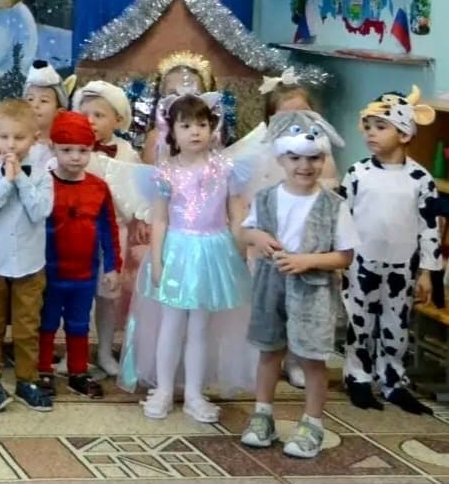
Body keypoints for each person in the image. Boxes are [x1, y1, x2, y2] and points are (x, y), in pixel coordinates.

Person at [119, 93, 253, 424]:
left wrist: (241, 250)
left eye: (202, 124)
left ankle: (194, 393)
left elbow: (236, 214)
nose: (195, 131)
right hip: (177, 253)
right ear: (172, 132)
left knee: (201, 327)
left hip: (213, 253)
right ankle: (164, 389)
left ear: (212, 128)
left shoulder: (226, 169)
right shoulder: (165, 173)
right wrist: (157, 260)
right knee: (172, 323)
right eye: (186, 125)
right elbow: (160, 220)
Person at [240, 110, 356, 459]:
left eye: (314, 158)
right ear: (281, 159)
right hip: (270, 285)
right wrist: (258, 236)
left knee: (311, 357)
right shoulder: (266, 197)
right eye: (295, 157)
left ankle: (312, 423)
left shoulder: (334, 205)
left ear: (323, 159)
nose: (304, 166)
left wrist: (308, 261)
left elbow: (345, 256)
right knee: (269, 350)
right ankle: (263, 415)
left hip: (313, 290)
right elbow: (246, 231)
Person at [341, 86, 440, 414]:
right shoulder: (357, 173)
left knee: (396, 325)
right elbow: (341, 218)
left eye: (381, 127)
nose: (371, 133)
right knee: (359, 322)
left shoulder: (420, 179)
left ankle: (393, 381)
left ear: (405, 134)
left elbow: (429, 226)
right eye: (368, 126)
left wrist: (427, 272)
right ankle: (358, 378)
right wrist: (339, 257)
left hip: (402, 268)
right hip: (361, 264)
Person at [0, 99, 54, 413]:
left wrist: (20, 178)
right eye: (4, 137)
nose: (11, 144)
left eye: (19, 138)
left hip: (31, 265)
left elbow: (40, 211)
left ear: (34, 138)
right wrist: (5, 181)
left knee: (27, 326)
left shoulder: (43, 175)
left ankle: (27, 379)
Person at [37, 111, 120, 400]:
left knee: (79, 323)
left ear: (92, 149)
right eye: (67, 150)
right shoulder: (43, 184)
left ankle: (78, 371)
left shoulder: (98, 188)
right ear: (53, 148)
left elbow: (109, 229)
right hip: (49, 272)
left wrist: (112, 266)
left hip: (84, 274)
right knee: (47, 322)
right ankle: (43, 369)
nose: (75, 157)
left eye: (83, 151)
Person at [73, 80, 141, 377]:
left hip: (114, 234)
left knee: (108, 295)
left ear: (118, 119)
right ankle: (74, 351)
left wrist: (138, 218)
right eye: (85, 114)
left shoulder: (127, 153)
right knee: (77, 294)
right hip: (78, 232)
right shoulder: (75, 151)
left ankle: (104, 350)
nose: (91, 120)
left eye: (99, 115)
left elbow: (136, 196)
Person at [23, 61, 74, 172]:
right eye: (30, 99)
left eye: (43, 101)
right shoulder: (18, 143)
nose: (35, 105)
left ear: (59, 111)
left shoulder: (64, 147)